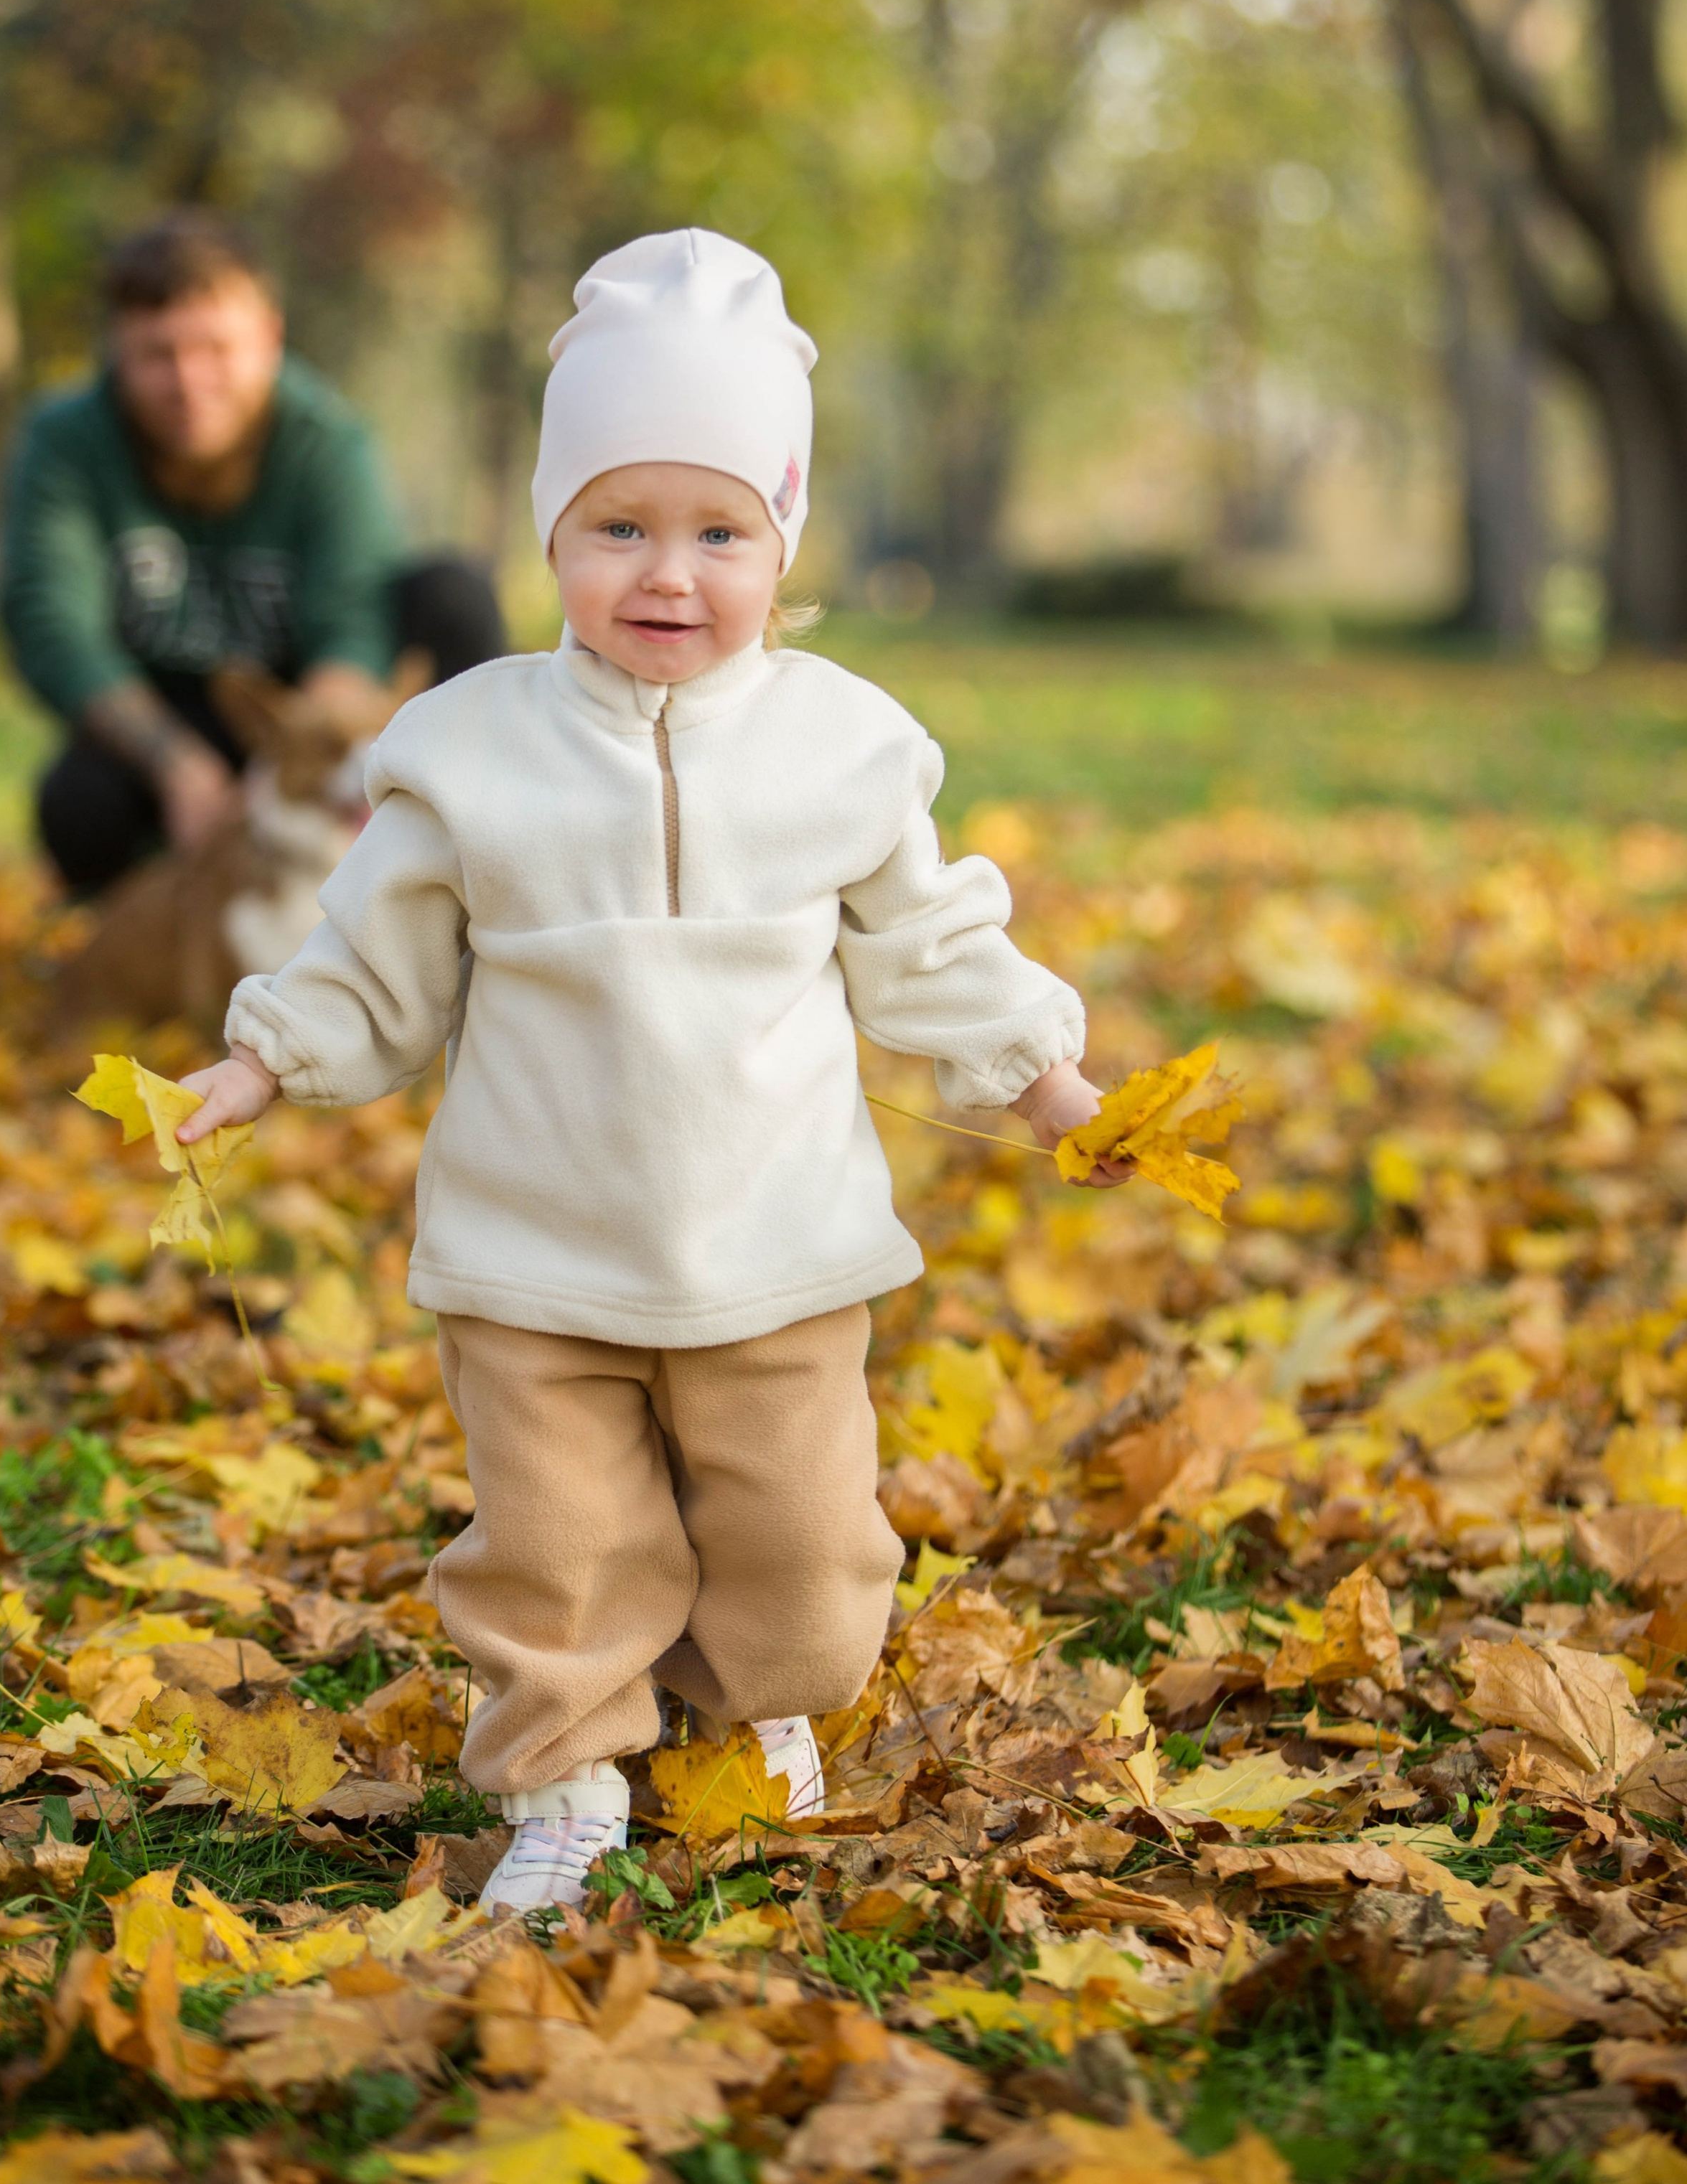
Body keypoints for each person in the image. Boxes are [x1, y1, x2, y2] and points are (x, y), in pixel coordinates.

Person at [172, 228, 1102, 1916]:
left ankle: (754, 1712)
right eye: (618, 527)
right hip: (535, 1248)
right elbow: (373, 943)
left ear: (780, 534)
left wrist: (1038, 1076)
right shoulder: (467, 749)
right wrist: (263, 1060)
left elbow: (929, 939)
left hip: (774, 1247)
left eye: (715, 532)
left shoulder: (841, 747)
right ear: (552, 534)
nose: (666, 573)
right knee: (558, 1540)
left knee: (809, 1553)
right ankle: (565, 1771)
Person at [0, 212, 505, 894]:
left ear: (269, 337)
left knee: (455, 593)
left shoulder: (327, 440)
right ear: (117, 350)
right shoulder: (64, 442)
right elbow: (53, 628)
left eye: (215, 349)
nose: (188, 381)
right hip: (166, 710)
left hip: (304, 707)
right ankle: (161, 930)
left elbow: (352, 617)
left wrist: (296, 768)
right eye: (157, 355)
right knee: (78, 806)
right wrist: (179, 767)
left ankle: (467, 872)